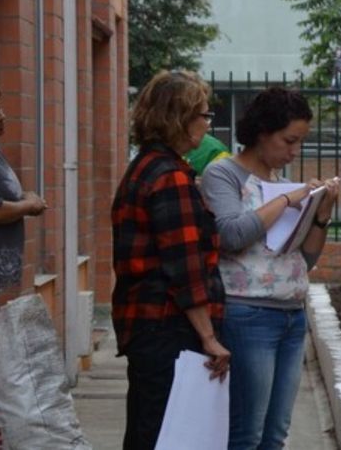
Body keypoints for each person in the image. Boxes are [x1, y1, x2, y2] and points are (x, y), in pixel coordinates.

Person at [200, 87, 340, 449]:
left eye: (300, 142)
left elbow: (302, 260)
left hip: (292, 314)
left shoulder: (282, 183)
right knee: (247, 433)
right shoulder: (224, 176)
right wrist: (287, 200)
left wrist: (321, 215)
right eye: (288, 141)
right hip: (248, 314)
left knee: (275, 433)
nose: (294, 152)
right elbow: (231, 234)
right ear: (262, 132)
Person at [112, 70, 229, 450]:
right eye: (204, 115)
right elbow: (185, 266)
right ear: (180, 118)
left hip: (148, 327)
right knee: (168, 435)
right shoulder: (169, 177)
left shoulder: (146, 167)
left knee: (148, 429)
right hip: (168, 328)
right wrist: (209, 338)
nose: (208, 124)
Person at [0, 83, 48, 323]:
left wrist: (27, 196)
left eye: (0, 108)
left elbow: (6, 193)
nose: (0, 116)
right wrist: (29, 205)